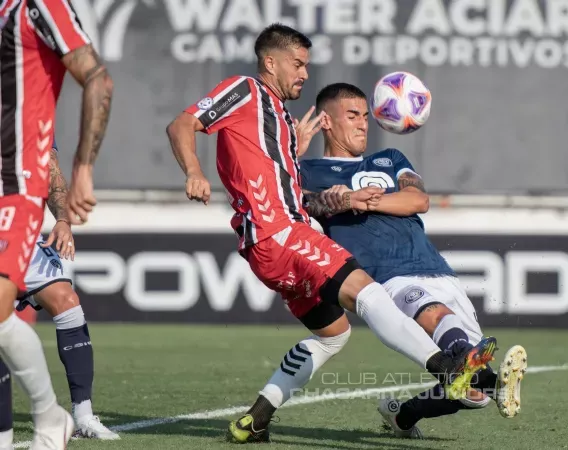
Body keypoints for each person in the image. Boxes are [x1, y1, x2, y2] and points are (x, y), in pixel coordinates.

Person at [165, 23, 497, 444]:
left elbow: (273, 177)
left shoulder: (280, 119)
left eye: (307, 65)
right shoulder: (246, 89)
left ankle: (257, 418)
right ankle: (446, 367)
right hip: (283, 231)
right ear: (270, 61)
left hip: (264, 245)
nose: (304, 73)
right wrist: (193, 172)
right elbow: (182, 124)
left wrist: (293, 151)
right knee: (369, 293)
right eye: (297, 63)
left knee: (332, 335)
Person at [301, 83, 528, 438]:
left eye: (365, 115)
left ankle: (403, 416)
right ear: (326, 121)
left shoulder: (391, 159)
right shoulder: (308, 170)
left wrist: (363, 200)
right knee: (439, 319)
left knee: (472, 393)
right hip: (385, 277)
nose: (363, 124)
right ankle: (477, 366)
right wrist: (324, 189)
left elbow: (417, 200)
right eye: (352, 116)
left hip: (436, 268)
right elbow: (298, 204)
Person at [0, 1, 113, 447]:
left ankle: (63, 415)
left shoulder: (37, 7)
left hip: (14, 194)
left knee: (62, 299)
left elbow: (98, 78)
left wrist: (74, 190)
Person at [0, 141, 119, 444]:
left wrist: (63, 220)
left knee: (67, 302)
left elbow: (50, 168)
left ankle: (83, 416)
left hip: (17, 231)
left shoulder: (32, 106)